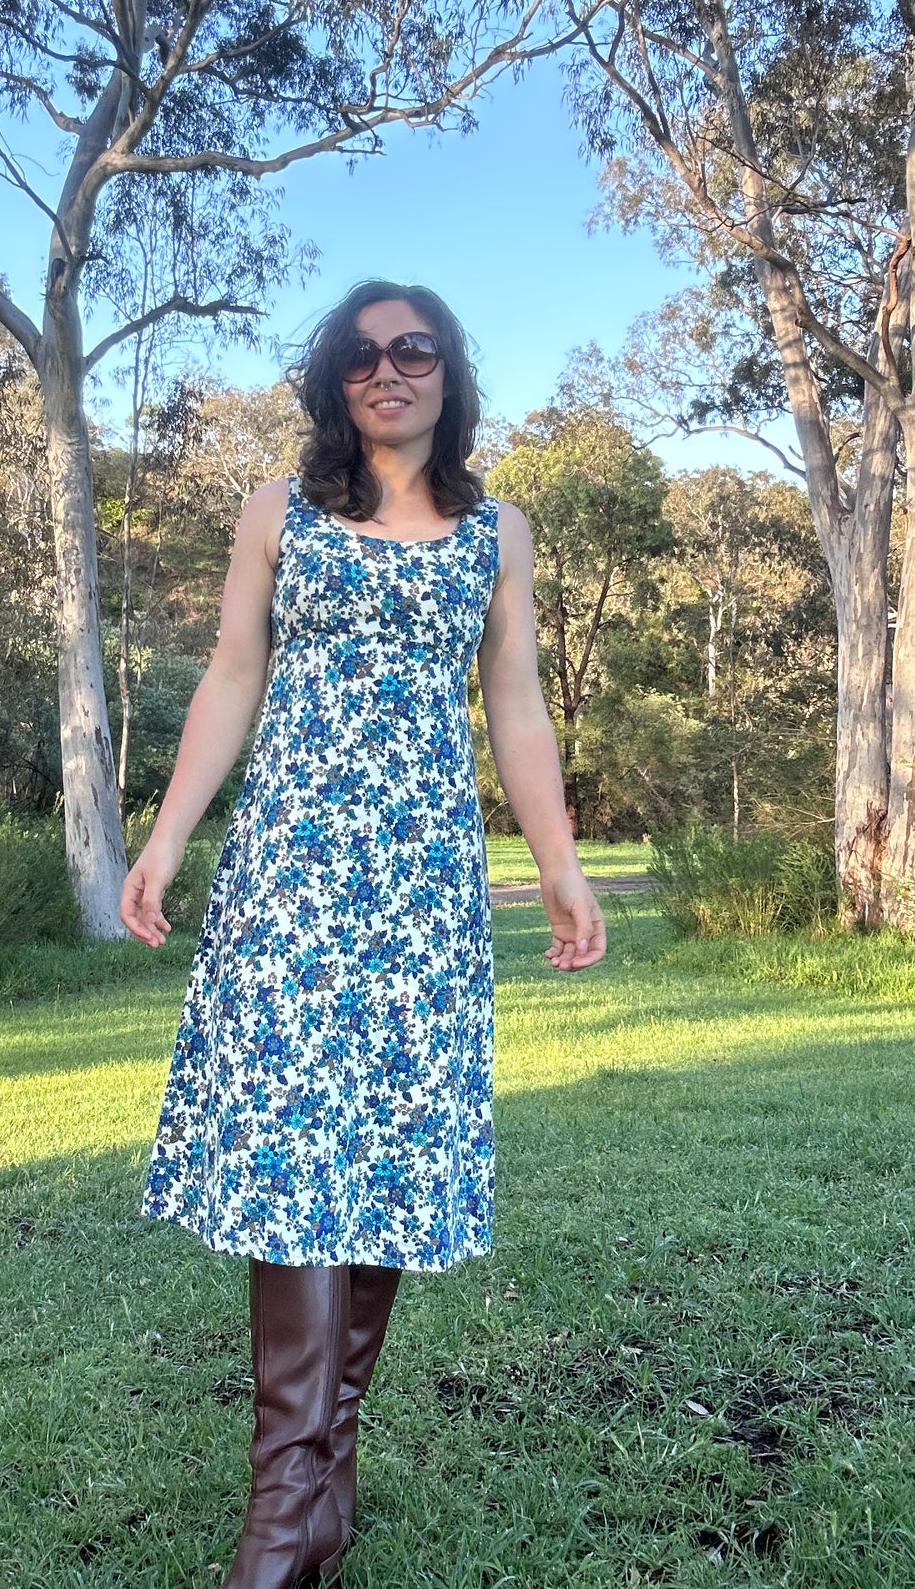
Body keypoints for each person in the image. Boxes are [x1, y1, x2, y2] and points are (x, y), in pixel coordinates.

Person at [121, 281, 606, 1589]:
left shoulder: (495, 530)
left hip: (421, 884)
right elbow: (234, 670)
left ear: (447, 374)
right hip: (290, 869)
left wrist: (558, 869)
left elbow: (515, 709)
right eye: (360, 354)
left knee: (383, 1149)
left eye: (412, 350)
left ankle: (318, 1493)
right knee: (292, 1149)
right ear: (333, 377)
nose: (384, 370)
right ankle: (287, 1510)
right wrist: (166, 838)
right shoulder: (279, 510)